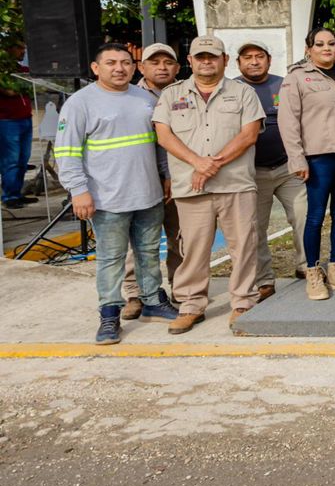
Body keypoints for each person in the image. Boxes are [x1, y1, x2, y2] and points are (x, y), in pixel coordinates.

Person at [56, 43, 176, 344]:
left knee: (149, 253)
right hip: (106, 198)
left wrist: (166, 176)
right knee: (111, 258)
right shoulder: (80, 103)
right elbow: (67, 151)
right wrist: (78, 191)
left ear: (134, 67)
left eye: (125, 62)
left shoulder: (144, 100)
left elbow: (159, 143)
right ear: (96, 68)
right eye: (111, 63)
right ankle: (109, 313)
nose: (119, 68)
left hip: (148, 194)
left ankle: (152, 301)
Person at [152, 36, 264, 332]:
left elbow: (249, 134)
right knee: (194, 249)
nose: (206, 61)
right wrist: (197, 162)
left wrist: (212, 163)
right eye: (200, 56)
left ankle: (243, 301)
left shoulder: (243, 93)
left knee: (244, 246)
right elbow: (164, 136)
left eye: (212, 56)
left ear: (225, 60)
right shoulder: (171, 95)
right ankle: (191, 305)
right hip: (192, 187)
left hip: (235, 184)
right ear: (189, 61)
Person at [280, 27, 335, 301]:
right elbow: (288, 121)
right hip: (317, 158)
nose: (326, 48)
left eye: (331, 43)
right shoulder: (297, 78)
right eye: (319, 44)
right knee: (315, 216)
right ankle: (313, 272)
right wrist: (297, 157)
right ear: (309, 49)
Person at [236, 41, 308, 302]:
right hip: (251, 173)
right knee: (255, 228)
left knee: (304, 217)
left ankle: (307, 266)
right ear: (238, 63)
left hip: (288, 168)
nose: (254, 62)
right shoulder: (233, 89)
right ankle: (264, 280)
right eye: (248, 57)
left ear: (268, 60)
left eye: (259, 57)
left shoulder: (285, 85)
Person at [119, 42, 183, 319]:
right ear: (141, 67)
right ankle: (135, 294)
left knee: (181, 238)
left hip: (181, 178)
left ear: (178, 67)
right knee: (140, 241)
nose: (161, 67)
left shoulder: (187, 92)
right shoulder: (129, 96)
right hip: (141, 179)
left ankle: (181, 289)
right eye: (154, 63)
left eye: (167, 62)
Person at [1, 41, 34, 207]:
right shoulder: (3, 72)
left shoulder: (23, 70)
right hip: (7, 120)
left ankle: (17, 191)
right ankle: (9, 196)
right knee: (11, 160)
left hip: (25, 118)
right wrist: (25, 86)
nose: (23, 51)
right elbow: (9, 91)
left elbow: (35, 85)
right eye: (19, 47)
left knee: (23, 158)